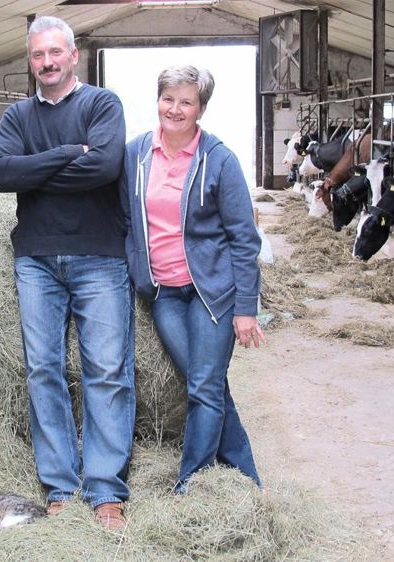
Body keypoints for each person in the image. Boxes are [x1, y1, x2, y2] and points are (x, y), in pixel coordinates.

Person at [0, 16, 134, 531]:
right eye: (37, 55)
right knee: (44, 370)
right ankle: (60, 487)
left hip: (99, 256)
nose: (47, 63)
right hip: (36, 259)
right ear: (29, 59)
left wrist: (38, 168)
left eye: (56, 53)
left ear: (74, 55)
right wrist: (68, 154)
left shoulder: (101, 104)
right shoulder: (18, 115)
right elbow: (1, 174)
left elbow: (105, 167)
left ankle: (105, 490)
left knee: (107, 371)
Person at [120, 65, 264, 493]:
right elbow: (125, 219)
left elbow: (244, 238)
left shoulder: (219, 159)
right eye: (168, 98)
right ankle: (247, 479)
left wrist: (246, 309)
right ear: (157, 100)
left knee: (203, 385)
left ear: (201, 108)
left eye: (186, 101)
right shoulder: (136, 155)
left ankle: (191, 483)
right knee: (207, 384)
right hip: (164, 293)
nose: (175, 109)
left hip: (211, 294)